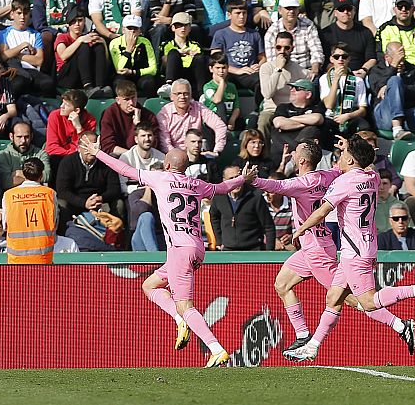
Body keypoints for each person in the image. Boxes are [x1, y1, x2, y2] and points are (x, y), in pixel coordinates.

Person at [78, 132, 259, 368]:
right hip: (196, 248)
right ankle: (179, 318)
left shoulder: (159, 178)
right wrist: (242, 180)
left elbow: (125, 170)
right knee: (150, 285)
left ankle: (215, 348)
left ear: (166, 164)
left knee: (186, 305)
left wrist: (97, 153)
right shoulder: (197, 184)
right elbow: (222, 188)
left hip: (179, 250)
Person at [283, 135, 415, 362]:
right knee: (334, 298)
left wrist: (299, 230)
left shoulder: (344, 182)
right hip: (366, 245)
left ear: (350, 160)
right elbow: (366, 166)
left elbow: (320, 213)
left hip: (354, 251)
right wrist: (357, 150)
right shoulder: (373, 177)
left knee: (368, 302)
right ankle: (312, 347)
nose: (339, 157)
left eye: (342, 154)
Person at [248, 138, 348, 350]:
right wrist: (348, 150)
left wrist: (253, 180)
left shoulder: (299, 184)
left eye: (295, 152)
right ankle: (302, 334)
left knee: (352, 299)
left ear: (302, 161)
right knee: (282, 284)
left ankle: (394, 321)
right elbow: (341, 168)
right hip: (313, 246)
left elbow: (275, 185)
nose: (292, 154)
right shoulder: (326, 176)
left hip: (318, 250)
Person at [368, 41, 415, 139]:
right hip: (385, 116)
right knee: (395, 80)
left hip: (406, 113)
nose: (402, 62)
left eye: (403, 58)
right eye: (397, 59)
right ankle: (397, 129)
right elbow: (377, 90)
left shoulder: (412, 69)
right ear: (387, 57)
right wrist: (393, 68)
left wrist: (401, 88)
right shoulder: (376, 70)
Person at [56, 131, 123, 229]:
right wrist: (84, 203)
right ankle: (66, 236)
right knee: (61, 204)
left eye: (94, 145)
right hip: (76, 201)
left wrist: (101, 198)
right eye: (86, 145)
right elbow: (62, 191)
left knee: (119, 204)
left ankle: (115, 237)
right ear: (78, 148)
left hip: (100, 202)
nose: (90, 149)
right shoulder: (67, 162)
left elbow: (115, 189)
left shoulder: (107, 162)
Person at [0, 0, 55, 97]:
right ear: (12, 14)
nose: (22, 17)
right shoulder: (3, 33)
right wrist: (23, 45)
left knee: (48, 83)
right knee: (20, 82)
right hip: (13, 70)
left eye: (25, 13)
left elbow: (39, 60)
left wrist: (16, 54)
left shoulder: (35, 35)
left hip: (31, 70)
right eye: (19, 13)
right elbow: (4, 56)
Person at [2, 158, 57, 264]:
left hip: (16, 259)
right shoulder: (50, 194)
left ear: (23, 174)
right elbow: (54, 223)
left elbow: (5, 226)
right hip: (43, 258)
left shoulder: (8, 195)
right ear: (41, 175)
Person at [31, 0, 81, 74]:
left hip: (72, 29)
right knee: (46, 37)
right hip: (51, 31)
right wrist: (55, 32)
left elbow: (80, 16)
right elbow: (39, 24)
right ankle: (45, 72)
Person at [210, 165, 275, 250]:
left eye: (237, 178)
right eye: (231, 179)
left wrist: (269, 252)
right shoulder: (219, 197)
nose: (235, 182)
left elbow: (268, 226)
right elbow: (214, 218)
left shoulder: (256, 196)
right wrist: (219, 241)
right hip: (228, 250)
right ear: (224, 180)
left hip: (253, 249)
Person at [259, 31, 308, 142]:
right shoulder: (266, 68)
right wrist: (278, 70)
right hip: (272, 109)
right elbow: (267, 94)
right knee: (263, 121)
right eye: (279, 47)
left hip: (292, 110)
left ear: (292, 48)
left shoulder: (301, 71)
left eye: (287, 48)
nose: (282, 51)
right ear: (274, 48)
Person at [157, 79, 228, 154]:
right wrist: (177, 156)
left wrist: (217, 150)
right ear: (171, 96)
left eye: (186, 93)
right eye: (178, 94)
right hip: (174, 155)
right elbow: (165, 143)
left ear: (191, 96)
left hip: (196, 154)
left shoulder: (199, 107)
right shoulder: (164, 114)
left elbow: (220, 126)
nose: (182, 97)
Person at [264, 0, 323, 81]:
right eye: (288, 8)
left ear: (298, 9)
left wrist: (314, 70)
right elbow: (272, 60)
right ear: (280, 10)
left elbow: (316, 51)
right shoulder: (272, 31)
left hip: (306, 71)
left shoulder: (308, 25)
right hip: (283, 73)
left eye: (294, 8)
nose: (291, 11)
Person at [53, 5, 111, 95]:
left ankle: (100, 86)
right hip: (66, 77)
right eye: (73, 21)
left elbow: (106, 58)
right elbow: (63, 56)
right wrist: (80, 40)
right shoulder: (62, 37)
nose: (77, 24)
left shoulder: (87, 37)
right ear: (68, 24)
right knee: (84, 46)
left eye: (80, 20)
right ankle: (88, 86)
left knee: (97, 46)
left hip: (82, 75)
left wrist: (103, 43)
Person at [212, 0, 265, 91]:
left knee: (262, 82)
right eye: (237, 13)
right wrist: (237, 70)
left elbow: (263, 57)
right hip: (229, 73)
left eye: (244, 13)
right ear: (229, 15)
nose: (241, 17)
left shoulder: (254, 34)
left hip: (249, 73)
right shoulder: (220, 34)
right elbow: (214, 58)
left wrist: (259, 65)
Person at [319, 42, 371, 137]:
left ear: (349, 58)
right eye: (336, 57)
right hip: (331, 117)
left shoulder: (358, 80)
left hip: (350, 116)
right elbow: (329, 105)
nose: (340, 59)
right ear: (331, 59)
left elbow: (363, 110)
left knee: (364, 126)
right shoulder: (324, 78)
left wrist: (348, 116)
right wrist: (336, 80)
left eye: (344, 56)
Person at [319, 0, 377, 77]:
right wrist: (340, 72)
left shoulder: (365, 32)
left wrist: (363, 70)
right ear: (335, 13)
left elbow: (372, 58)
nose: (346, 12)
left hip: (361, 74)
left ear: (354, 11)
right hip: (335, 74)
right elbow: (324, 61)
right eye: (341, 9)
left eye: (349, 9)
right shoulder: (326, 34)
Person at [100, 80, 161, 156]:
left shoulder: (148, 116)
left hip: (144, 158)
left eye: (133, 98)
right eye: (126, 99)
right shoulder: (110, 114)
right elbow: (107, 147)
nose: (131, 103)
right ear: (118, 100)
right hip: (118, 158)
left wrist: (138, 125)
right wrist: (131, 156)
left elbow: (154, 145)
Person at [271, 79, 325, 164]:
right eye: (291, 88)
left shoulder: (316, 108)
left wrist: (289, 119)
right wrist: (306, 123)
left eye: (297, 88)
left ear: (308, 94)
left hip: (304, 155)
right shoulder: (283, 107)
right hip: (282, 150)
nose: (292, 90)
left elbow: (317, 119)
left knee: (312, 129)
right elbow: (279, 123)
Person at [157, 12, 209, 99]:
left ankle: (201, 93)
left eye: (186, 25)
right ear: (173, 28)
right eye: (179, 25)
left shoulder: (195, 45)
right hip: (176, 72)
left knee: (200, 57)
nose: (183, 28)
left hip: (191, 72)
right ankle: (169, 85)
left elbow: (198, 59)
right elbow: (164, 61)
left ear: (190, 28)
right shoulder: (166, 44)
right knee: (173, 52)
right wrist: (181, 52)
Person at [375, 0, 415, 70]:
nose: (403, 9)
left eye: (407, 7)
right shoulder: (384, 28)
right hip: (394, 67)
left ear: (413, 9)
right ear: (395, 9)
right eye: (400, 6)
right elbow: (381, 54)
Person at [109, 14, 159, 98]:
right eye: (129, 28)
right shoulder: (115, 43)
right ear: (123, 30)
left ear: (140, 31)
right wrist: (128, 50)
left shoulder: (145, 43)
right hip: (123, 76)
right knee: (119, 82)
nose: (132, 31)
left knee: (149, 81)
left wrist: (133, 72)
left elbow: (153, 69)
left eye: (135, 28)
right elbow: (119, 69)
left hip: (139, 75)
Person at [0, 122, 51, 190]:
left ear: (31, 136)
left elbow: (46, 176)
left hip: (36, 195)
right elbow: (6, 182)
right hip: (14, 196)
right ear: (11, 136)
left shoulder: (41, 154)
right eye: (19, 137)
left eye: (26, 137)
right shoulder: (3, 155)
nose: (23, 141)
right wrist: (34, 176)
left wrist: (18, 173)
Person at [45, 89, 97, 159]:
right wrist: (71, 155)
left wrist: (79, 128)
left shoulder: (90, 120)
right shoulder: (55, 116)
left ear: (76, 110)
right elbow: (51, 147)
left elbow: (87, 147)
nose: (61, 106)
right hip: (60, 156)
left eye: (66, 105)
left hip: (79, 158)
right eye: (62, 102)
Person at [118, 122, 165, 195]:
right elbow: (122, 186)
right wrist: (140, 189)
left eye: (149, 135)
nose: (147, 139)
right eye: (143, 136)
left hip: (156, 193)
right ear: (136, 139)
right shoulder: (126, 158)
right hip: (133, 193)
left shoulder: (161, 157)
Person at [201, 52, 240, 133]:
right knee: (220, 105)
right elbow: (217, 100)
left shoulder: (232, 87)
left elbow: (236, 108)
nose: (221, 71)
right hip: (212, 121)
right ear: (211, 69)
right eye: (217, 68)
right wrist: (221, 82)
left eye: (224, 68)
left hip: (229, 119)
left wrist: (232, 120)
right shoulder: (208, 87)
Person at [374, 168, 402, 233]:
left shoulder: (400, 205)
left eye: (385, 183)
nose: (381, 187)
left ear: (391, 184)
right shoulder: (370, 206)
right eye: (379, 184)